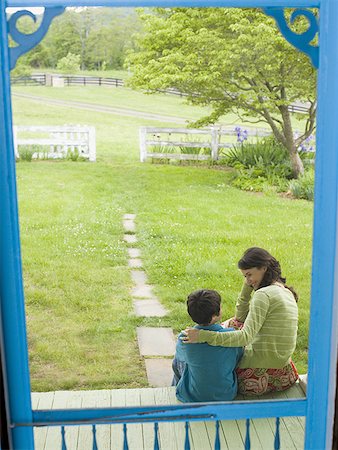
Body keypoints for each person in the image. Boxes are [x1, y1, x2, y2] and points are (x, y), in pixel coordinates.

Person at [182, 247, 299, 396]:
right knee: (235, 323)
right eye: (244, 276)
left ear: (264, 267)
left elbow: (245, 337)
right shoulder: (285, 291)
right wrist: (249, 284)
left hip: (255, 378)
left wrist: (203, 336)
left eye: (249, 275)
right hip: (284, 375)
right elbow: (241, 317)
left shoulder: (263, 295)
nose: (247, 280)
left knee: (229, 327)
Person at [172, 289, 243, 402]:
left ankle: (175, 387)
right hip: (226, 395)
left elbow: (182, 357)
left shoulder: (184, 338)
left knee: (176, 361)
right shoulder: (232, 336)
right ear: (217, 314)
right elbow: (238, 356)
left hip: (193, 397)